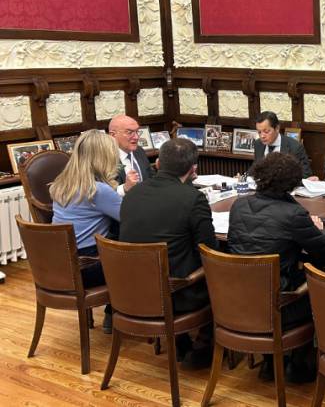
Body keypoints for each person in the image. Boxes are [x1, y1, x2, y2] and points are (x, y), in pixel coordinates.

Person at [228, 152, 325, 383]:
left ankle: (270, 362)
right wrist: (318, 229)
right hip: (280, 304)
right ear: (292, 183)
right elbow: (324, 253)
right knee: (320, 284)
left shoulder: (238, 205)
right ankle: (300, 365)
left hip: (238, 299)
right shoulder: (293, 214)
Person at [119, 138, 218, 368]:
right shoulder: (193, 198)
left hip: (130, 290)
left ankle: (181, 341)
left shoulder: (132, 193)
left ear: (158, 163)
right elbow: (209, 251)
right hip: (175, 292)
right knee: (220, 272)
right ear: (193, 169)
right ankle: (203, 347)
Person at [51, 130, 122, 333]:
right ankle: (118, 315)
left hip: (59, 265)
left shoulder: (61, 184)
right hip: (86, 266)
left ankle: (113, 313)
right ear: (104, 157)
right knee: (137, 261)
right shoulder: (98, 190)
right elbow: (132, 218)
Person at [251, 111, 312, 178]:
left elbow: (306, 174)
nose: (262, 136)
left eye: (266, 131)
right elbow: (254, 169)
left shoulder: (295, 147)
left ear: (277, 128)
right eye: (259, 132)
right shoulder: (258, 144)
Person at [109, 114, 154, 195]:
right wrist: (125, 188)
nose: (136, 137)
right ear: (113, 135)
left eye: (137, 132)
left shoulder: (139, 151)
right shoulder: (105, 159)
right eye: (129, 132)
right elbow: (102, 193)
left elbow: (151, 176)